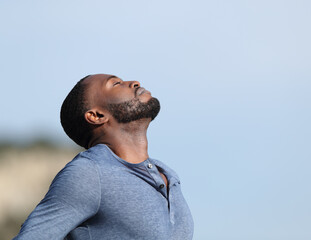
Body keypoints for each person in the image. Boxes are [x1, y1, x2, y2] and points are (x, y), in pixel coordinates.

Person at [14, 74, 194, 240]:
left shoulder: (168, 176)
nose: (134, 83)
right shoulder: (88, 173)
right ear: (96, 116)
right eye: (116, 84)